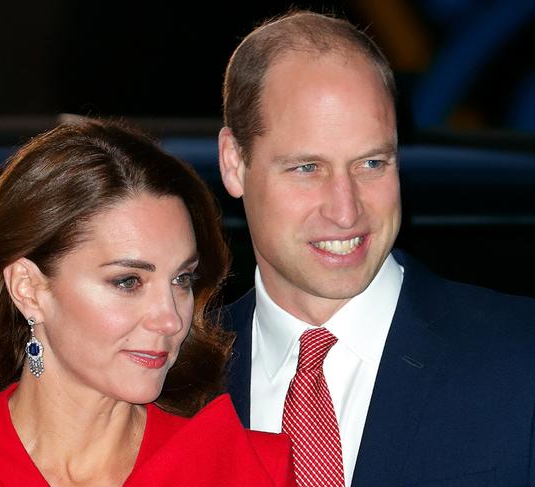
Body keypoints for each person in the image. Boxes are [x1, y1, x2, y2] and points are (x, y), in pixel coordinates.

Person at [218, 10, 535, 487]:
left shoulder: (522, 359)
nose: (346, 211)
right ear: (233, 164)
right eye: (307, 168)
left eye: (371, 163)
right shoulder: (170, 375)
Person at [0, 119, 295, 486]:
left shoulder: (244, 468)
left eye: (181, 280)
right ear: (28, 288)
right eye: (128, 281)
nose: (170, 319)